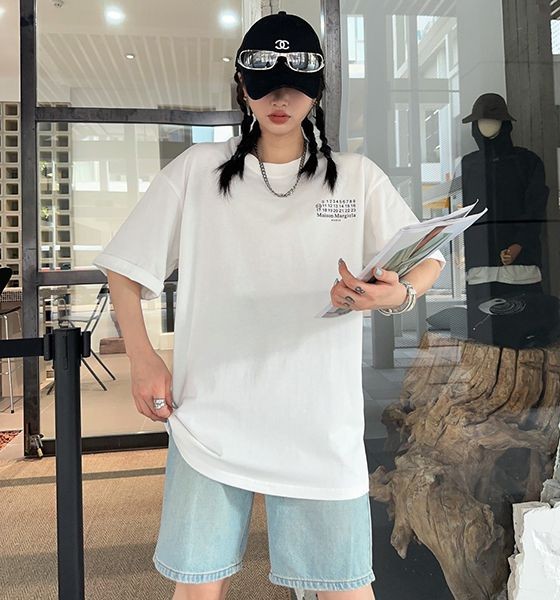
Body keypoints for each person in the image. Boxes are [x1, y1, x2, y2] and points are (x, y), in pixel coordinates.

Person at [93, 11, 445, 600]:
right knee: (198, 588)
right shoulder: (198, 171)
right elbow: (123, 267)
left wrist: (396, 293)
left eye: (295, 87)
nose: (280, 100)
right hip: (211, 414)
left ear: (317, 91)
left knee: (345, 589)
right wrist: (144, 358)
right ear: (242, 87)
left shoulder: (355, 177)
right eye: (265, 86)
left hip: (319, 421)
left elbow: (428, 255)